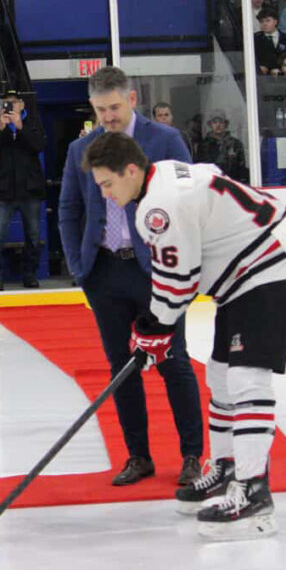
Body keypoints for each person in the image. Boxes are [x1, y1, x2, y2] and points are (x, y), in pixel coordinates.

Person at [83, 132, 286, 540]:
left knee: (247, 379)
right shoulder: (162, 175)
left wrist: (154, 328)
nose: (105, 194)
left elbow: (179, 282)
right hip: (248, 268)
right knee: (219, 374)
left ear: (130, 170)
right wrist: (155, 328)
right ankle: (226, 469)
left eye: (108, 183)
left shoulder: (158, 206)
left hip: (270, 265)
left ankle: (254, 493)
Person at [57, 67, 203, 487]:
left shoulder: (166, 141)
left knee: (173, 361)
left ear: (133, 99)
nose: (108, 117)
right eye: (100, 109)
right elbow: (69, 210)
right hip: (104, 272)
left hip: (157, 271)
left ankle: (192, 456)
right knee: (121, 367)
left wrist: (181, 267)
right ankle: (138, 456)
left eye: (115, 107)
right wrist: (81, 268)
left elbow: (190, 204)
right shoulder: (80, 149)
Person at [0, 90, 45, 291]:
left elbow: (38, 146)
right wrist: (1, 128)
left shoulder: (33, 124)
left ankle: (30, 274)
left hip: (30, 190)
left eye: (13, 103)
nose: (10, 107)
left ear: (22, 104)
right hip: (5, 192)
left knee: (33, 236)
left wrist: (20, 127)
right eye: (6, 103)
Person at [195, 109, 249, 183]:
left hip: (231, 183)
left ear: (226, 124)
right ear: (210, 125)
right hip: (210, 183)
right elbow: (200, 168)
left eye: (221, 122)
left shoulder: (235, 144)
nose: (218, 125)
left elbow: (241, 169)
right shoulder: (203, 145)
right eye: (214, 122)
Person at [254, 7, 286, 76]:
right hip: (263, 76)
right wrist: (259, 67)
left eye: (268, 21)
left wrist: (282, 70)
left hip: (284, 76)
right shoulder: (255, 39)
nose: (264, 24)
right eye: (262, 21)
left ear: (275, 22)